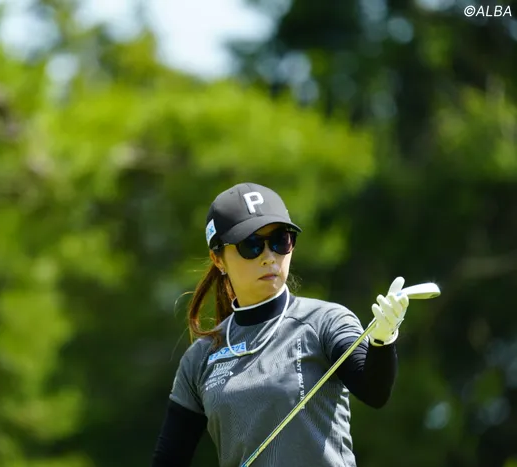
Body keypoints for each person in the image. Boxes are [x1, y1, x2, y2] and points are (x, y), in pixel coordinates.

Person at [151, 182, 410, 467]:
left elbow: (374, 391)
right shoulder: (200, 358)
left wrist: (383, 340)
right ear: (218, 259)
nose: (269, 257)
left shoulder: (327, 321)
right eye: (251, 245)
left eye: (279, 240)